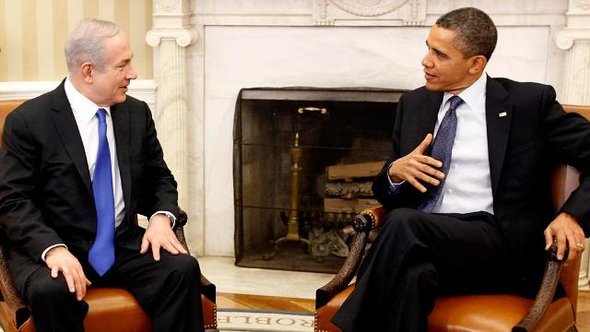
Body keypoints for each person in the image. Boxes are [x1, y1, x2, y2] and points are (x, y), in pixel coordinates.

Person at [332, 7, 590, 331]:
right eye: (427, 47)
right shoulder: (413, 104)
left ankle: (345, 324)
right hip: (428, 245)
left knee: (402, 223)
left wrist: (572, 215)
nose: (426, 61)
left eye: (440, 54)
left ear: (475, 64)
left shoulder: (528, 103)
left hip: (500, 246)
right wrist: (394, 173)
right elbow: (386, 193)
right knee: (413, 275)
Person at [0, 19, 204, 332]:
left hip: (119, 243)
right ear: (88, 71)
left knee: (181, 269)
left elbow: (160, 177)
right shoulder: (28, 122)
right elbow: (13, 201)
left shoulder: (136, 114)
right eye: (123, 65)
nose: (133, 73)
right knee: (51, 291)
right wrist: (52, 249)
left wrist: (162, 217)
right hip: (55, 248)